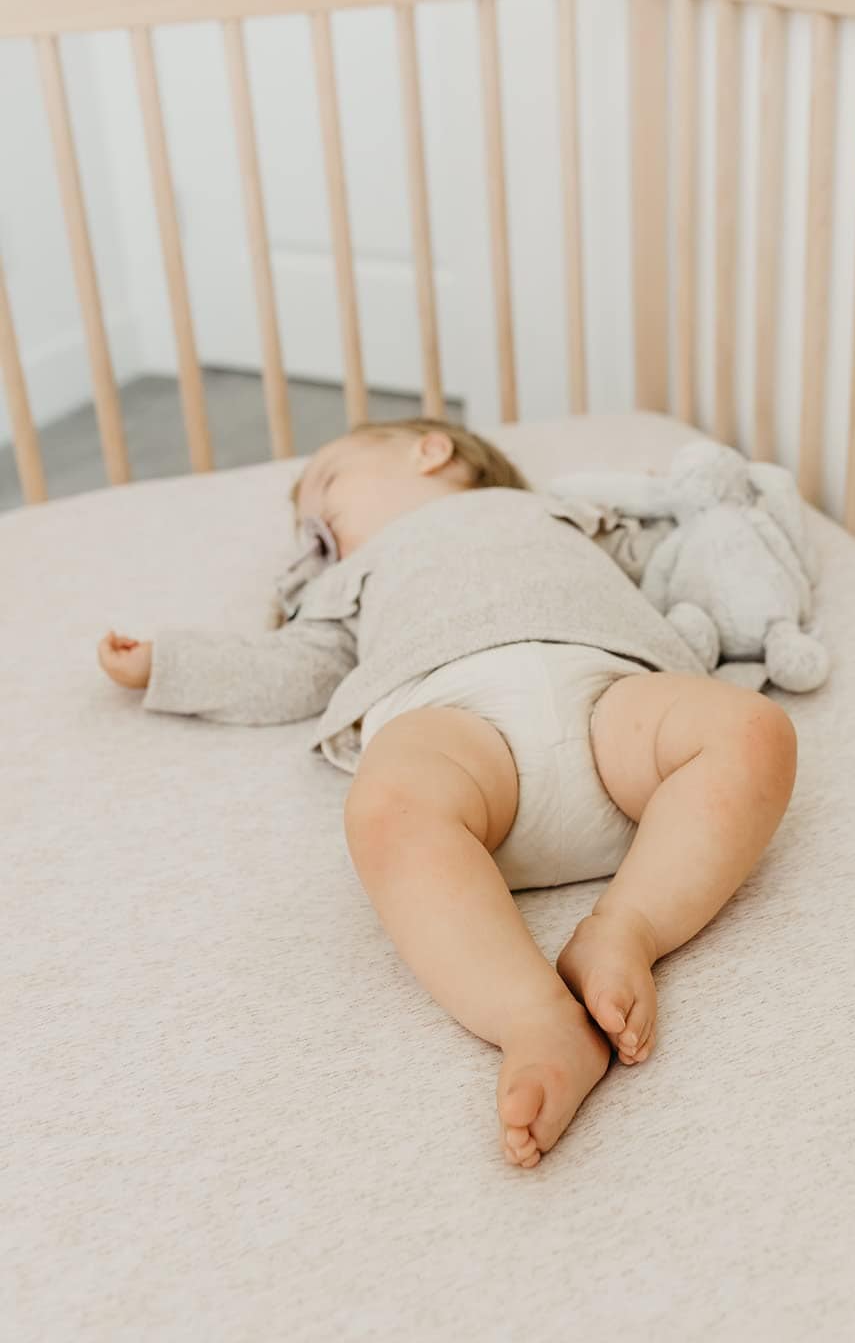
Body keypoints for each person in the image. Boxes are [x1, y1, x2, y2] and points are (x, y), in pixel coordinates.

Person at [98, 417, 797, 1169]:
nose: (315, 532)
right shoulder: (350, 579)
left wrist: (730, 519)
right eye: (308, 533)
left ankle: (626, 927)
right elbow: (288, 668)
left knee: (753, 730)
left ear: (430, 451)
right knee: (387, 809)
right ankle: (535, 1017)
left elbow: (684, 561)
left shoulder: (562, 512)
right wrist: (169, 665)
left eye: (327, 487)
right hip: (461, 727)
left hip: (612, 702)